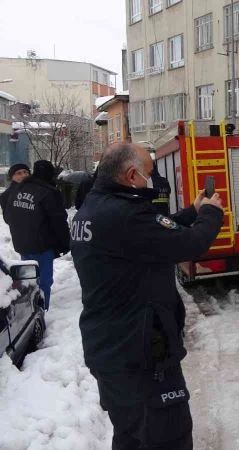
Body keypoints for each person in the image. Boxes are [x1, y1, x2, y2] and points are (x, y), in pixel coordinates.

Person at [71, 142, 223, 450]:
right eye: (148, 174)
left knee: (131, 435)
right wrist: (210, 214)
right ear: (130, 175)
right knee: (168, 437)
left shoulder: (95, 208)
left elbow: (156, 232)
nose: (151, 180)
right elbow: (190, 244)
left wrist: (192, 211)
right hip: (141, 357)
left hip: (114, 351)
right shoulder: (125, 215)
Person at [4, 160, 70, 310]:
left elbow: (8, 216)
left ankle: (29, 307)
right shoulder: (48, 192)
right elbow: (59, 221)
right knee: (44, 280)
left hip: (22, 243)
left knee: (29, 277)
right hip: (42, 244)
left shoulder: (18, 189)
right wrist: (66, 242)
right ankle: (40, 311)